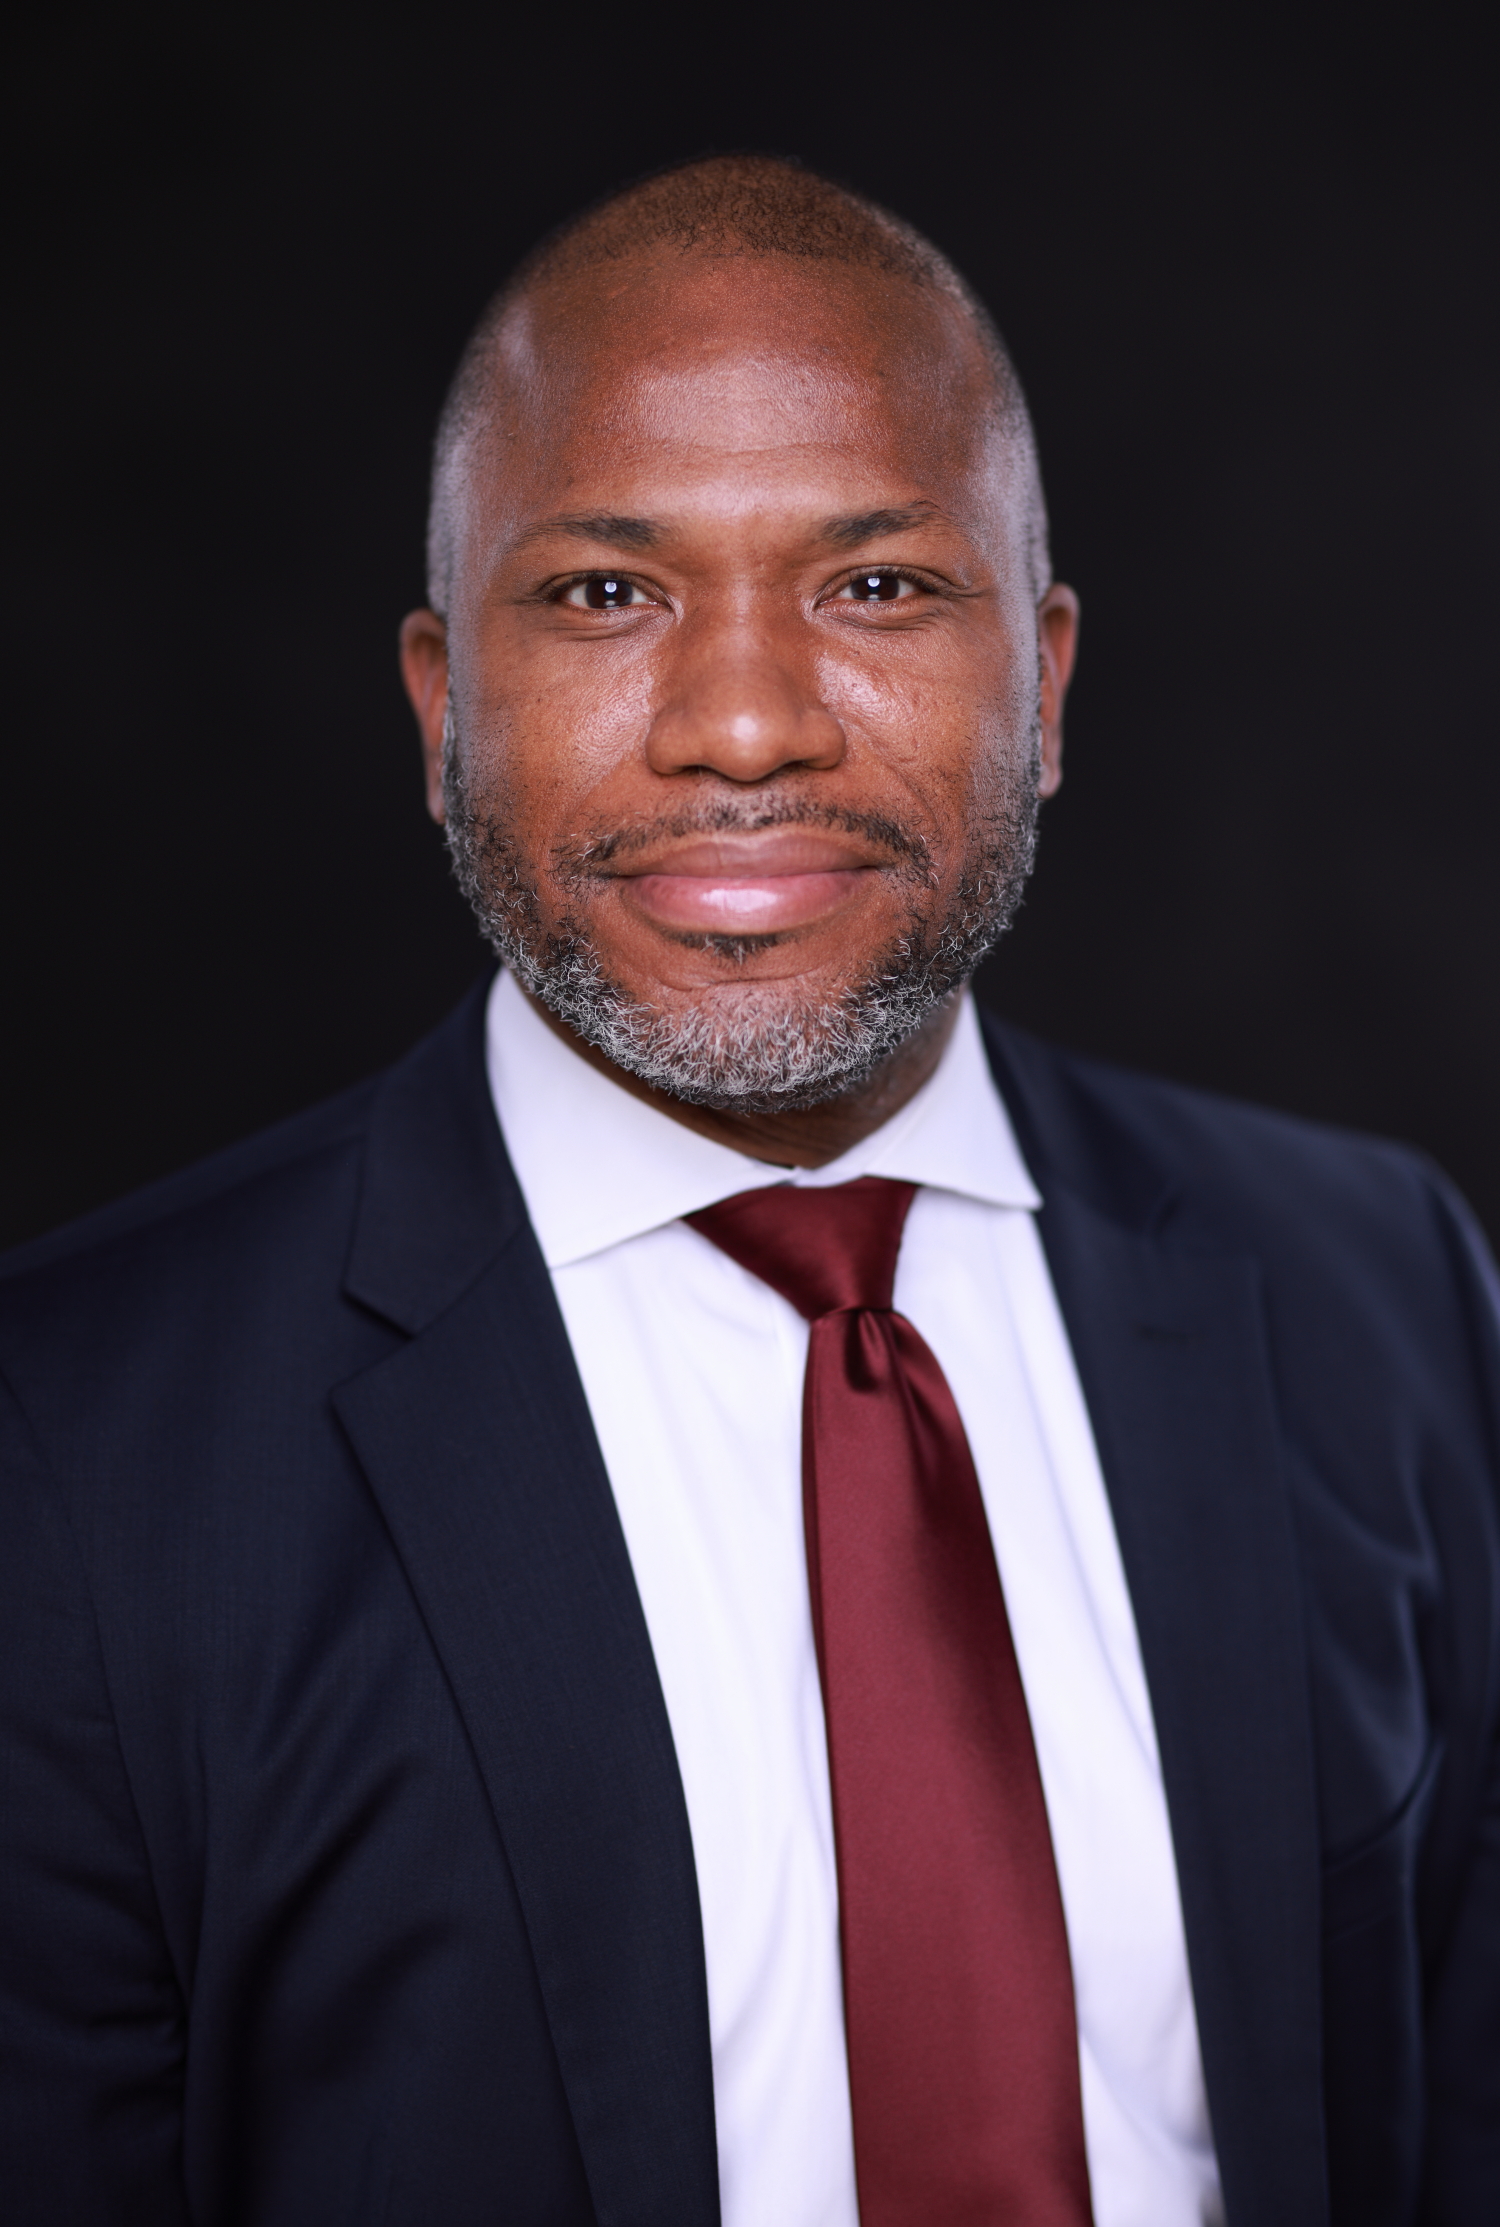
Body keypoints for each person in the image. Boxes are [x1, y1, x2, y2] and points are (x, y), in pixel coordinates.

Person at [1, 155, 1496, 2227]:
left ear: (1045, 685)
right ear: (442, 708)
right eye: (607, 593)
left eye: (875, 585)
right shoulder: (66, 1449)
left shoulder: (1389, 1294)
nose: (739, 725)